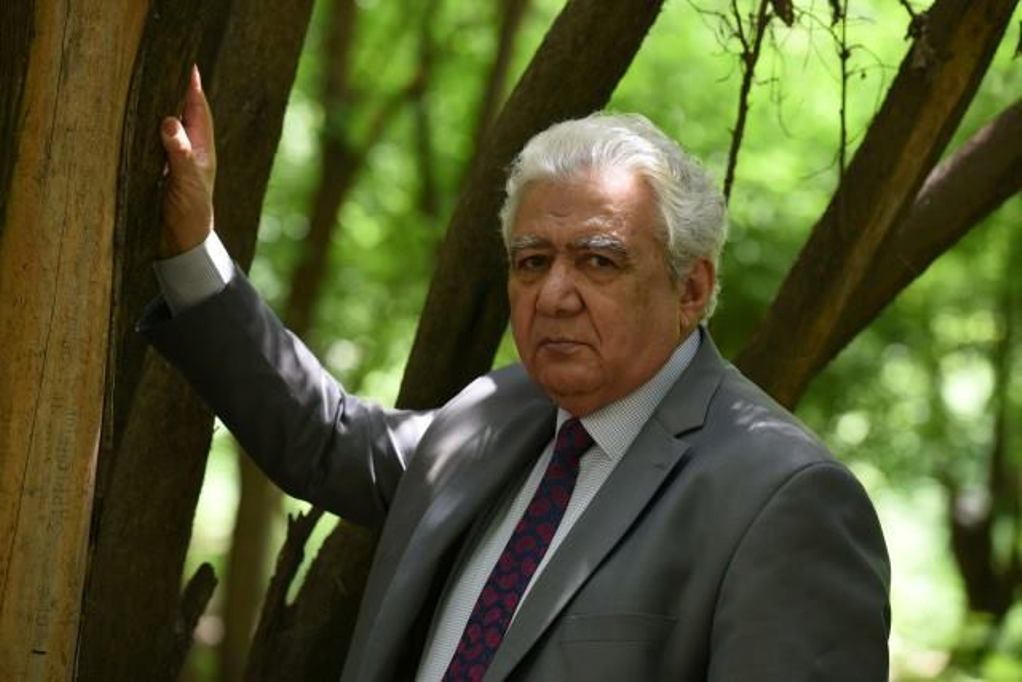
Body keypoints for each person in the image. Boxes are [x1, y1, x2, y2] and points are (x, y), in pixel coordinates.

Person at [141, 67, 890, 681]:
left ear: (690, 289)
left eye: (598, 261)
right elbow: (328, 438)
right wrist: (192, 247)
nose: (554, 294)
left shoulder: (781, 500)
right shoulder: (501, 412)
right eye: (533, 262)